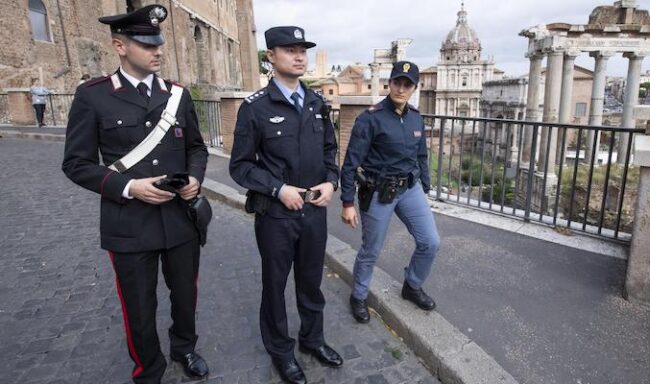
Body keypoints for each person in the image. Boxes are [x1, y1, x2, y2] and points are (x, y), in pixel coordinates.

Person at [61, 4, 209, 383]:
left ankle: (185, 348)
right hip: (128, 223)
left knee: (185, 298)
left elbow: (196, 147)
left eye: (158, 42)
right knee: (139, 308)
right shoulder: (93, 96)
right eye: (146, 44)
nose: (157, 50)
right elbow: (76, 164)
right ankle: (149, 369)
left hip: (179, 219)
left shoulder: (178, 95)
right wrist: (129, 187)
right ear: (120, 46)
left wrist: (194, 177)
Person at [229, 26, 342, 384]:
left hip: (314, 212)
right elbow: (240, 166)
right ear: (270, 57)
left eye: (303, 50)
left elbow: (329, 152)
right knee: (275, 285)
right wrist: (278, 189)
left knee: (311, 282)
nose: (299, 56)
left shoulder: (316, 103)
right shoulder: (256, 108)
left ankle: (312, 339)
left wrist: (331, 182)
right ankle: (282, 351)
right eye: (290, 50)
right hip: (277, 215)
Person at [340, 61, 440, 323]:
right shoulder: (370, 119)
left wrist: (425, 187)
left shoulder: (416, 117)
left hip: (409, 189)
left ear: (414, 88)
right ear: (390, 83)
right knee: (371, 249)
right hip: (378, 192)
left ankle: (412, 286)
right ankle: (359, 295)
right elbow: (350, 163)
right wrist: (347, 202)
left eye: (407, 84)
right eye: (397, 82)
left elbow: (421, 155)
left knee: (430, 242)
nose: (401, 88)